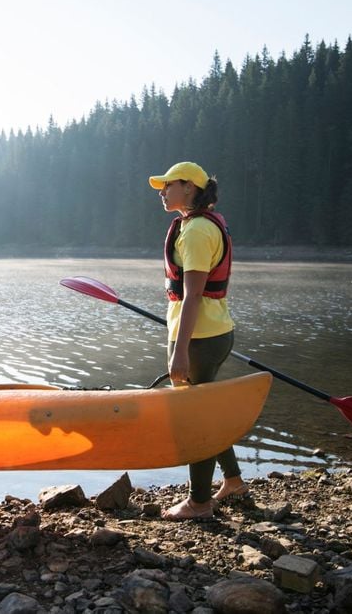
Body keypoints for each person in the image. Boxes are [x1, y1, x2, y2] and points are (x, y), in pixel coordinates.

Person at [148, 161, 249, 521]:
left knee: (196, 420)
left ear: (189, 187)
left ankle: (199, 502)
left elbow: (192, 296)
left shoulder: (194, 232)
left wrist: (179, 352)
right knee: (206, 410)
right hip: (213, 331)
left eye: (168, 185)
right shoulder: (199, 225)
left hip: (200, 339)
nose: (162, 191)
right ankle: (234, 481)